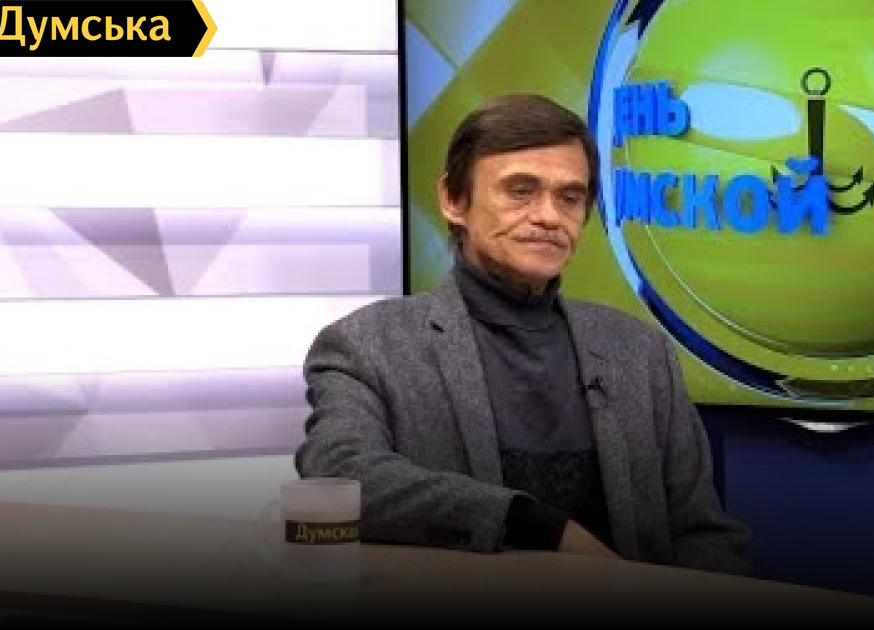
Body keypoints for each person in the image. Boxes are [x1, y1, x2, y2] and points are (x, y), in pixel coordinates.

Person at [294, 93, 753, 576]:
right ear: (453, 200)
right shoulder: (366, 346)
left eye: (569, 198)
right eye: (520, 191)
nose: (549, 217)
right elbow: (340, 473)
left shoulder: (640, 351)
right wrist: (534, 526)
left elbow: (705, 534)